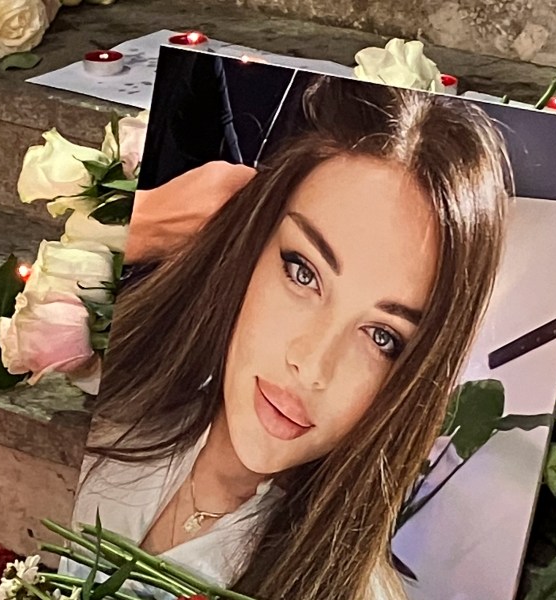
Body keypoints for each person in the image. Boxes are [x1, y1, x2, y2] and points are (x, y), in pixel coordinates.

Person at [66, 75, 511, 600]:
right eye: (304, 273)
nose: (312, 363)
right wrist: (140, 228)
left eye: (383, 337)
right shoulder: (98, 403)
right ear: (250, 245)